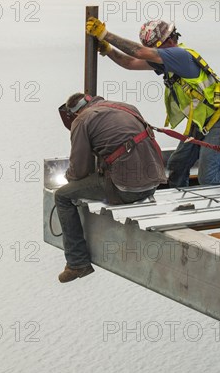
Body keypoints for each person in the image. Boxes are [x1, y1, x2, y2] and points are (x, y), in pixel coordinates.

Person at [86, 17, 220, 187]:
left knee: (209, 176)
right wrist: (108, 50)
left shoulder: (179, 55)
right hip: (201, 124)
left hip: (219, 122)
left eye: (154, 49)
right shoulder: (168, 61)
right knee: (177, 166)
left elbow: (139, 52)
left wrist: (105, 35)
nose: (153, 53)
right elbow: (131, 62)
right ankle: (182, 203)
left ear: (167, 42)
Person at [55, 93, 166, 283]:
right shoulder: (126, 107)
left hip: (126, 189)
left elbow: (79, 171)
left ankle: (77, 263)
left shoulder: (81, 121)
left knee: (62, 196)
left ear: (73, 113)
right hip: (154, 183)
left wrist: (69, 179)